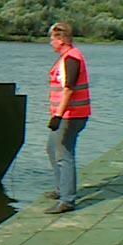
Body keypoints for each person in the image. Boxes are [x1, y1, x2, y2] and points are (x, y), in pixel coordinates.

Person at [44, 21, 90, 213]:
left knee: (64, 153)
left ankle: (67, 200)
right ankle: (61, 189)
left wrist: (58, 115)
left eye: (52, 39)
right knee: (51, 147)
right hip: (67, 115)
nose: (50, 43)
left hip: (71, 116)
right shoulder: (66, 57)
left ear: (61, 39)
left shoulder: (71, 59)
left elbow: (68, 89)